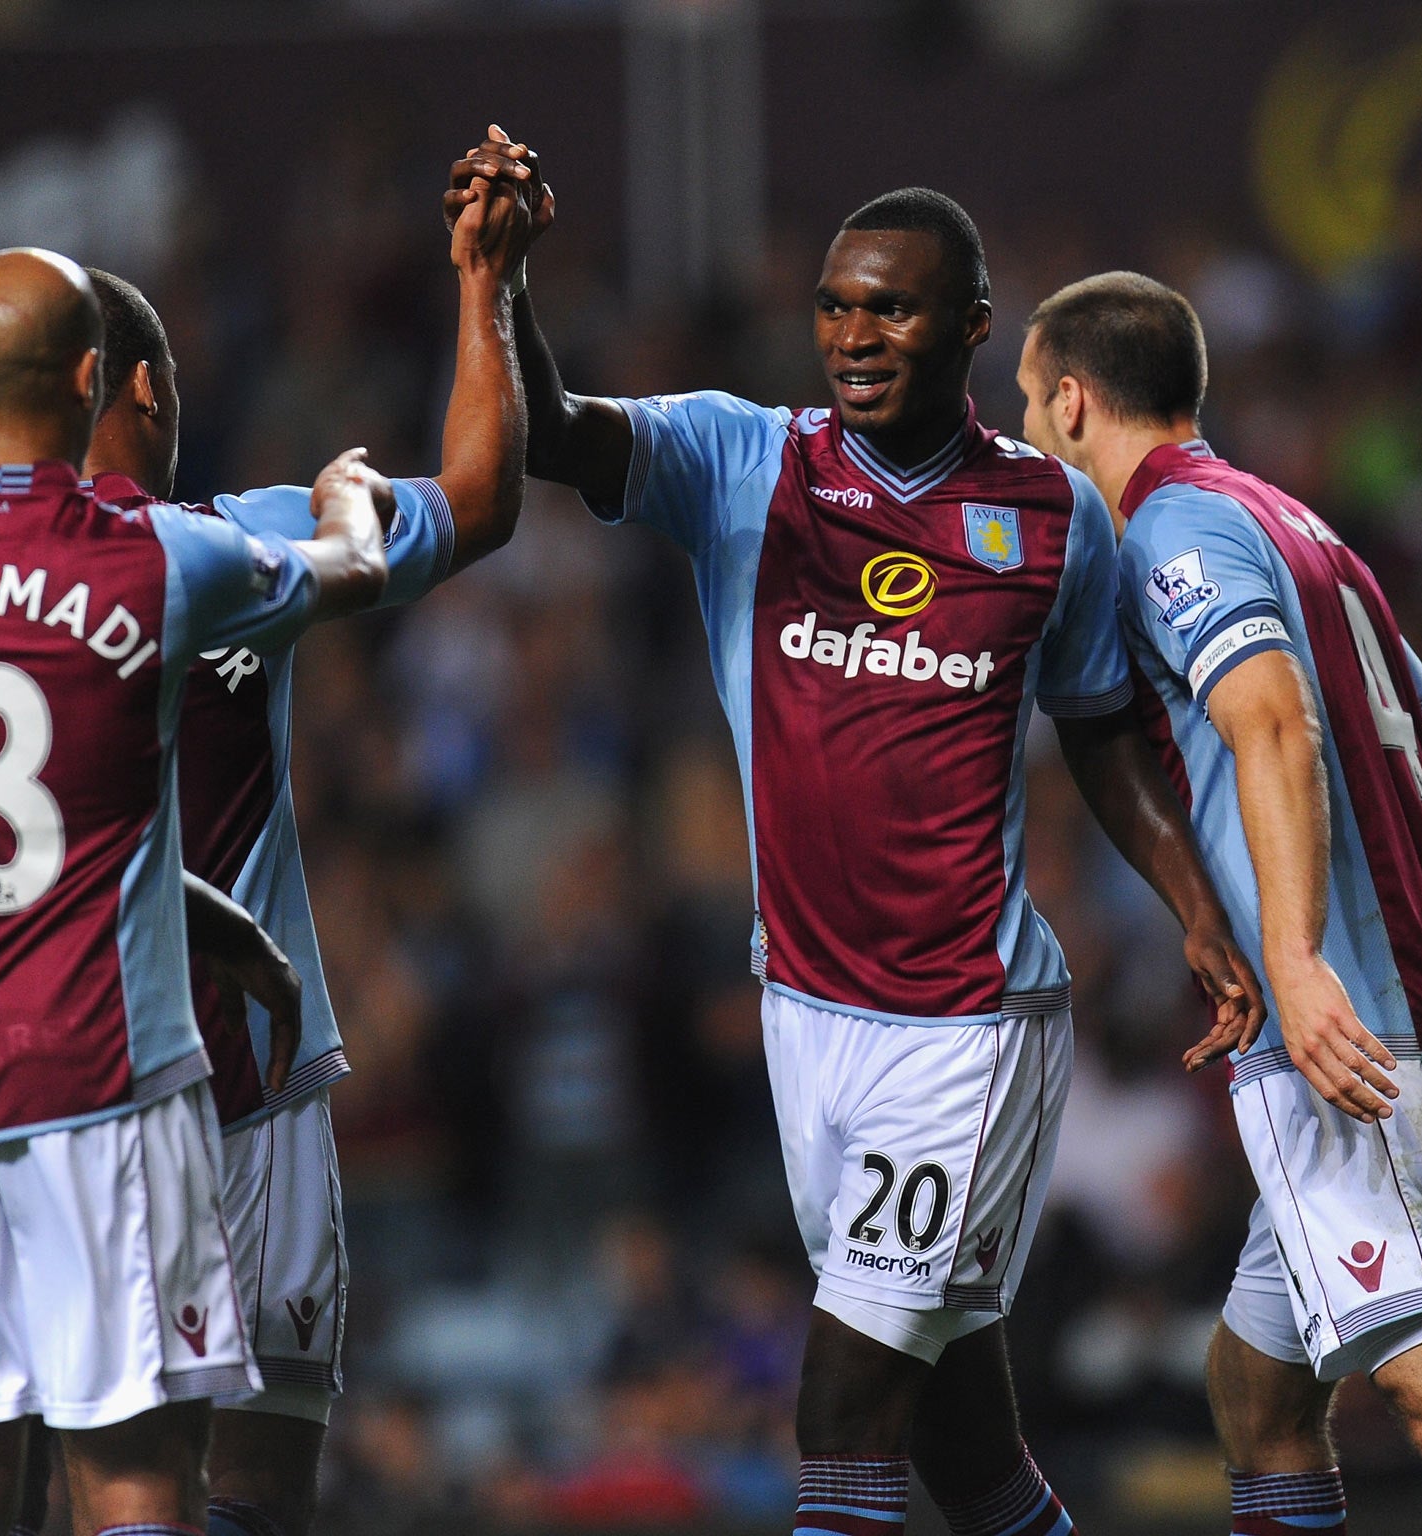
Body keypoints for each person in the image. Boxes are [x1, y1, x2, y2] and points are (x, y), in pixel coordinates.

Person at [447, 136, 1262, 1536]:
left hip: (963, 1023)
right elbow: (556, 432)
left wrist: (1192, 902)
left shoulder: (1052, 517)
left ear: (973, 326)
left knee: (841, 1413)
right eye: (834, 305)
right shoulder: (738, 458)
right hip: (805, 1012)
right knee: (967, 1447)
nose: (854, 334)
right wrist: (499, 284)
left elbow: (1104, 731)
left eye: (890, 307)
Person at [0, 247, 383, 1536]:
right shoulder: (154, 562)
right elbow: (352, 573)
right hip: (110, 1084)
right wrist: (344, 497)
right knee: (133, 1480)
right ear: (96, 381)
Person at [1018, 268, 1422, 1536]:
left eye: (1028, 402)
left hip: (1348, 1044)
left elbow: (1265, 720)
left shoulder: (1169, 534)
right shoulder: (1303, 534)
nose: (1026, 429)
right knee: (1253, 1390)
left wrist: (1294, 964)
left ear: (1075, 402)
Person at [73, 159, 528, 1536]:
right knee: (255, 1488)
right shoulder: (240, 543)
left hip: (60, 1091)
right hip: (248, 1086)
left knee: (78, 1479)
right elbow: (483, 498)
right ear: (148, 392)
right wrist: (482, 284)